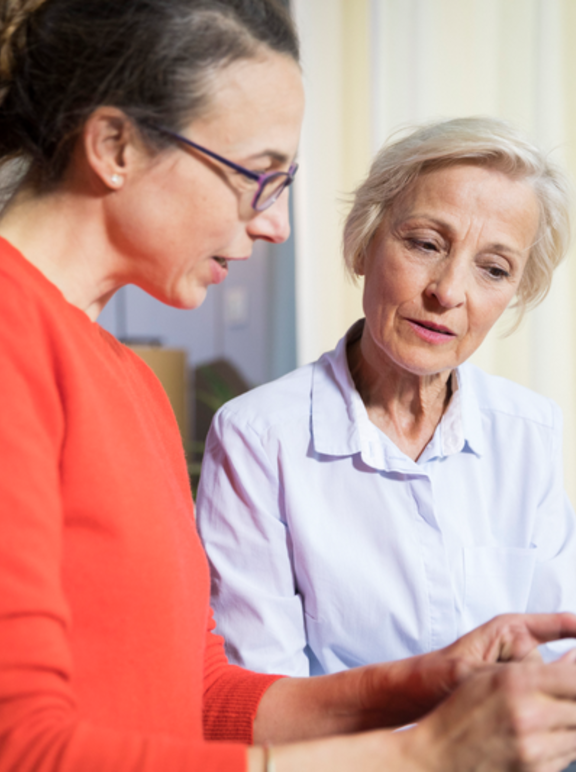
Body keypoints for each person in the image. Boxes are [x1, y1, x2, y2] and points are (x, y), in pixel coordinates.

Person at [2, 2, 576, 771]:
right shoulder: (15, 336)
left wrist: (423, 683)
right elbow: (22, 748)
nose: (275, 224)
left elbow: (201, 698)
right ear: (115, 145)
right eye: (256, 174)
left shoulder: (131, 385)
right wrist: (424, 756)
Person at [197, 117, 576, 680]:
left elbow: (554, 660)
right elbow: (261, 690)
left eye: (493, 269)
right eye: (425, 244)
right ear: (363, 245)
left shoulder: (529, 430)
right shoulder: (257, 436)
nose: (448, 292)